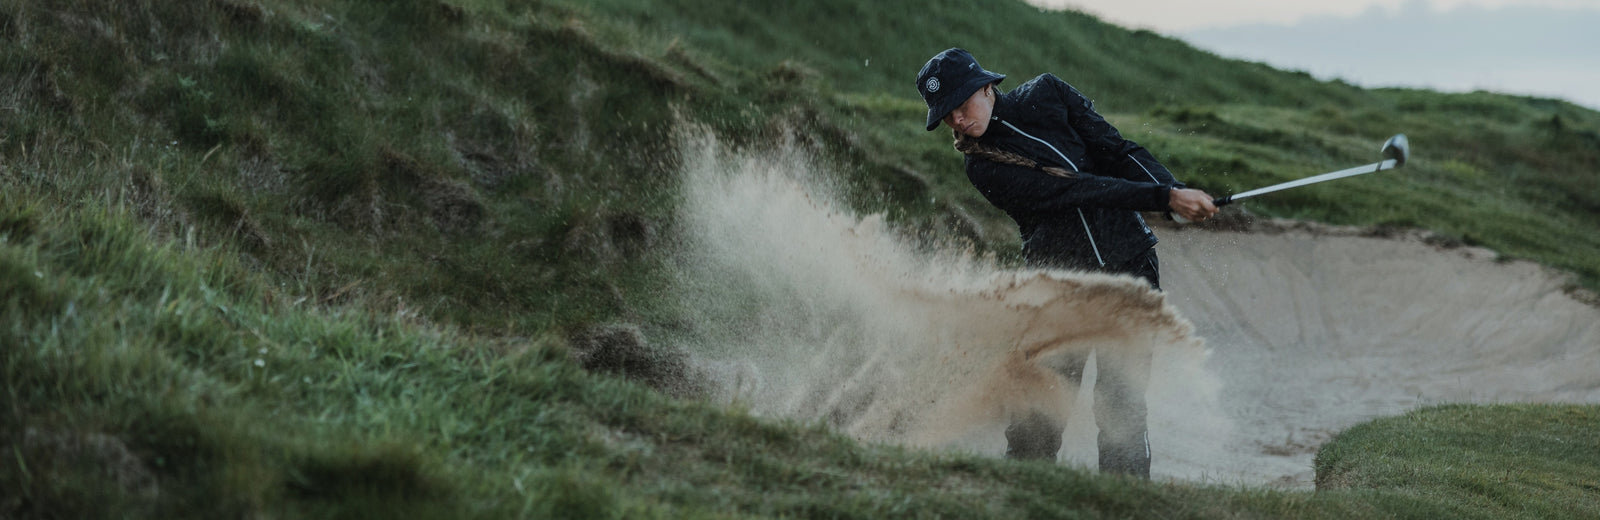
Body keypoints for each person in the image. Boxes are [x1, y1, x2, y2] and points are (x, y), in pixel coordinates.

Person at [915, 48, 1217, 478]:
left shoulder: (1049, 93)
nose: (958, 121)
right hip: (1061, 289)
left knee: (1121, 402)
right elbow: (1078, 190)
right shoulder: (982, 167)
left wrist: (1171, 190)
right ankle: (1024, 495)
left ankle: (1123, 505)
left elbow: (1115, 149)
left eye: (962, 106)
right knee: (1040, 409)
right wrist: (1163, 198)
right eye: (946, 116)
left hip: (1131, 270)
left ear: (987, 88)